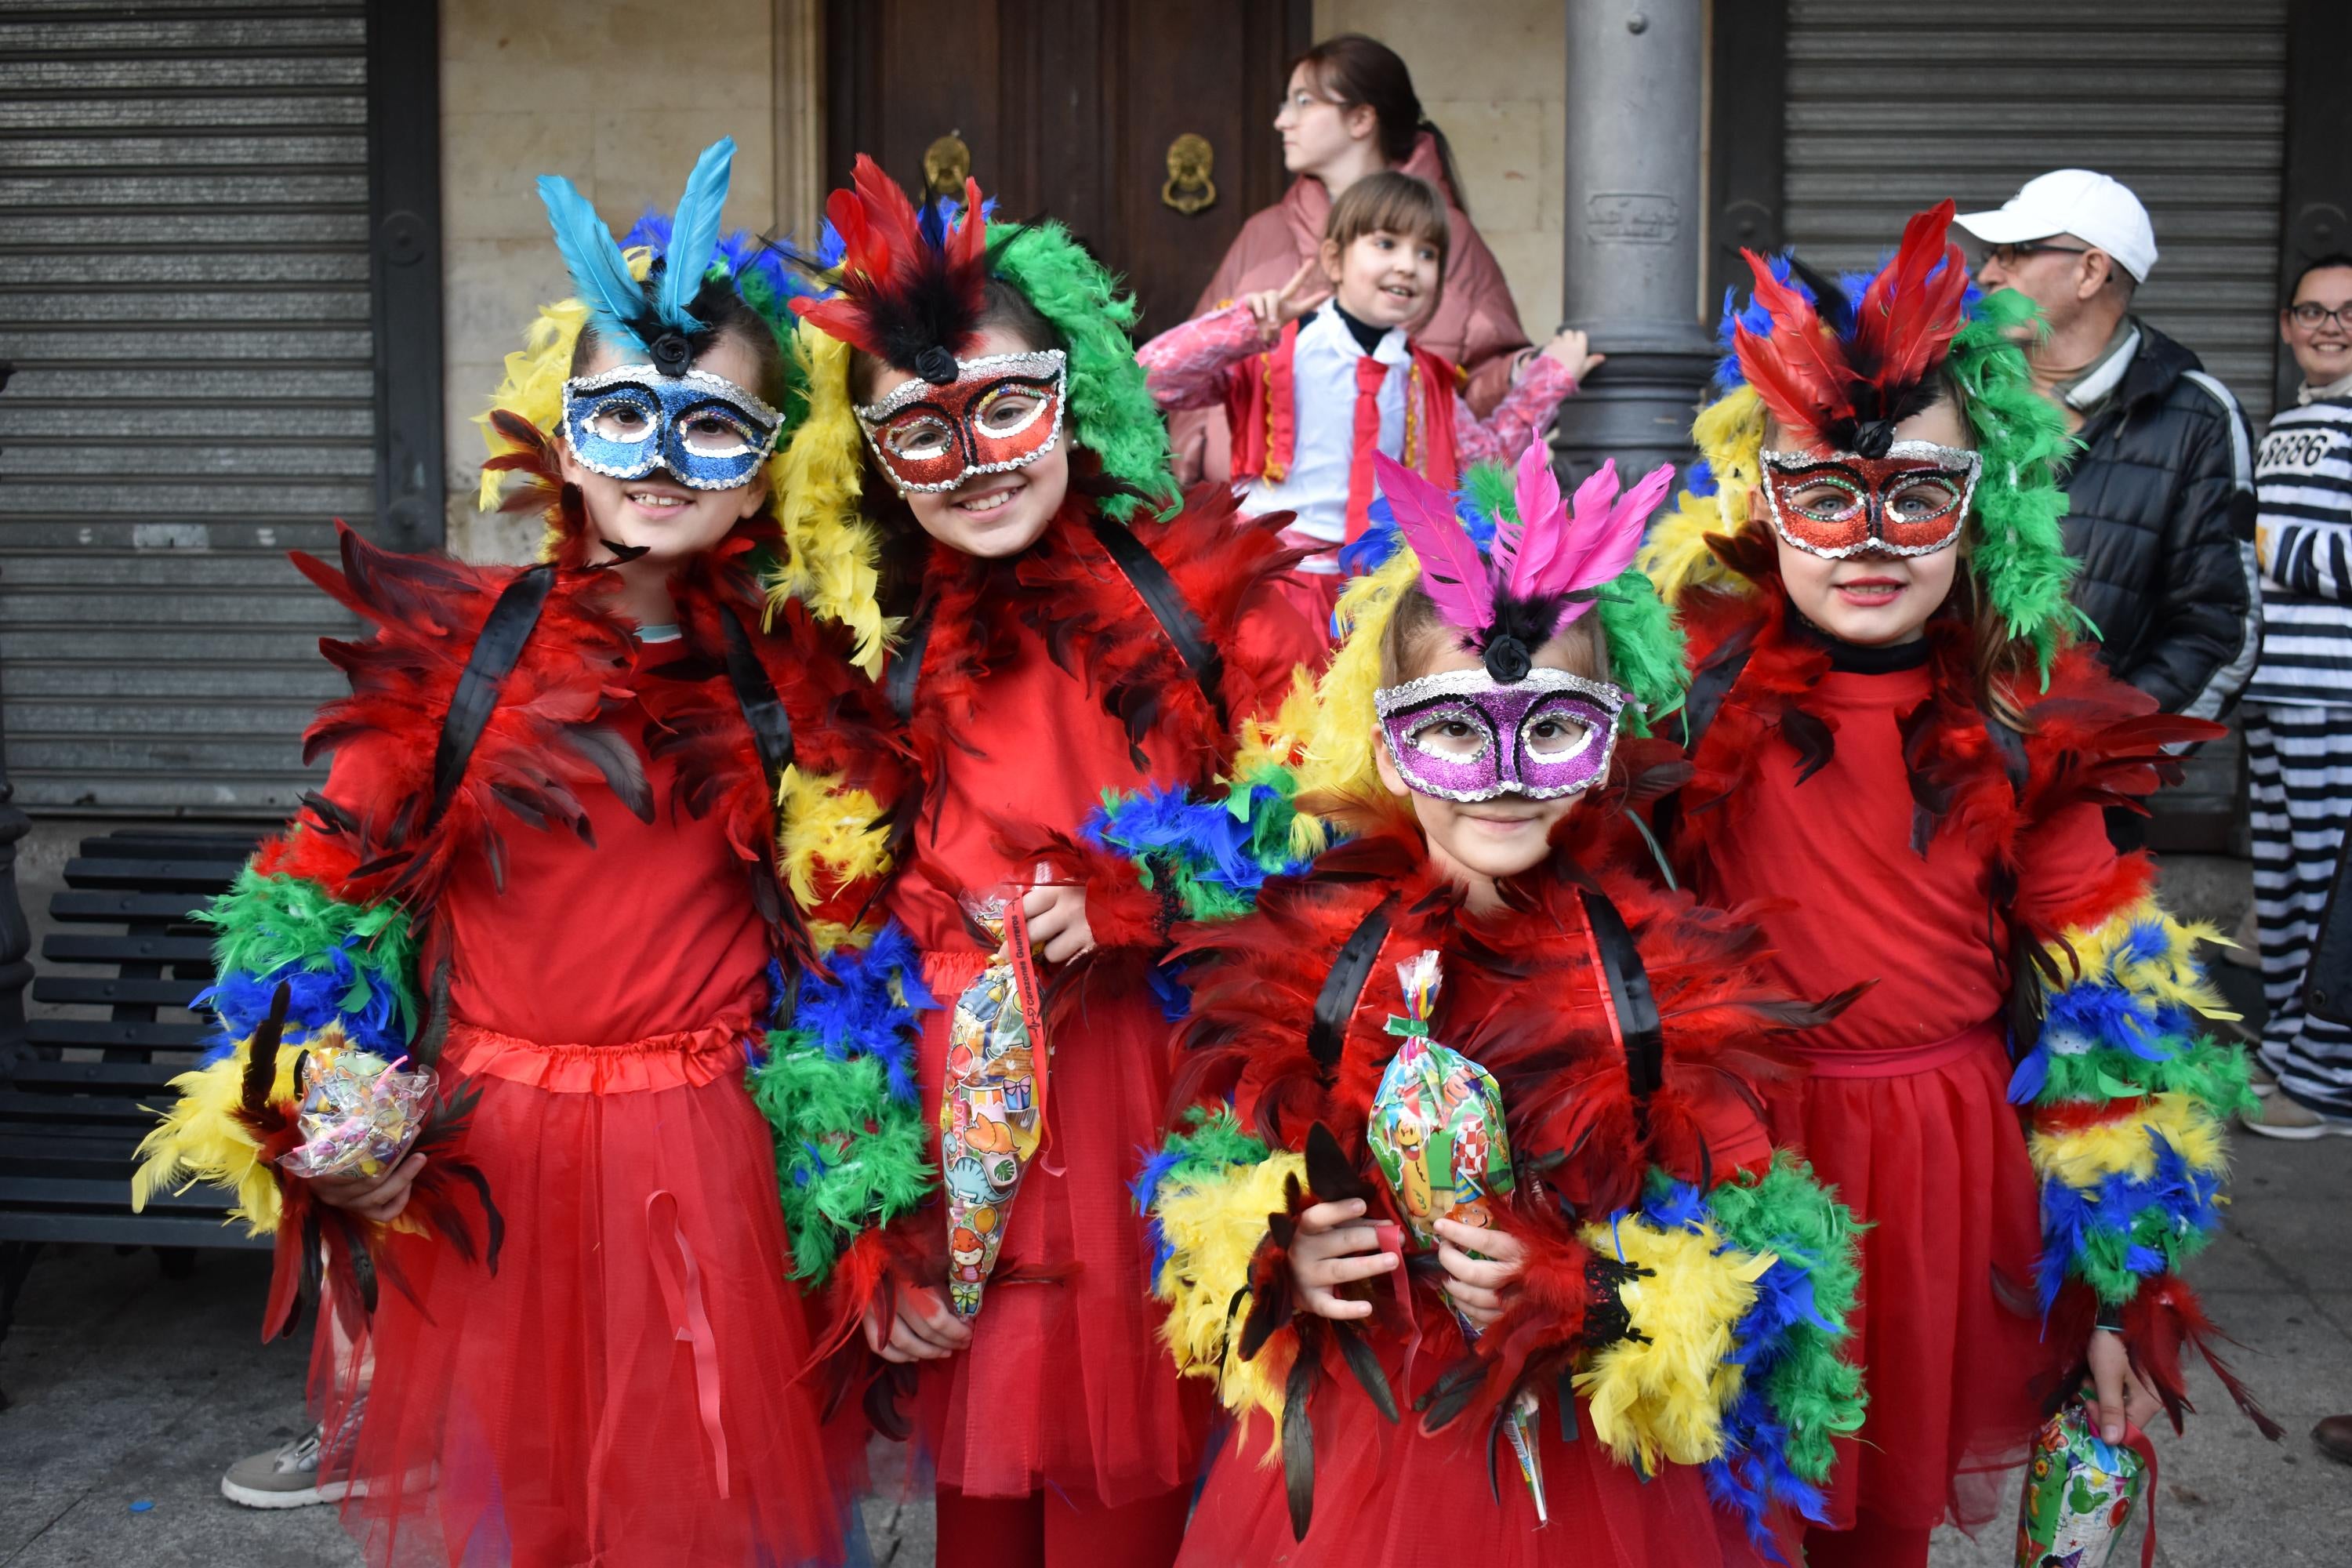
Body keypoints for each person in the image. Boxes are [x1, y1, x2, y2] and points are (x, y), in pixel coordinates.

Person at [130, 142, 875, 1565]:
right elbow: (310, 906)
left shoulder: (802, 688)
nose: (660, 464)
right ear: (566, 432)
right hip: (493, 1170)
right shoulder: (457, 663)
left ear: (771, 461)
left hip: (704, 1164)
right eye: (622, 417)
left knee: (692, 1510)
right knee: (521, 1515)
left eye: (709, 428)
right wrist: (317, 1112)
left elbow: (854, 943)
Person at [1639, 201, 2275, 1568]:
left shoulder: (2016, 719)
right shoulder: (1679, 707)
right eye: (1826, 493)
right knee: (1718, 1518)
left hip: (1938, 1162)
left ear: (1983, 509)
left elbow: (2114, 1013)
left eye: (1918, 494)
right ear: (1758, 504)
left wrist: (2119, 1298)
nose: (1872, 538)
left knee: (1883, 1519)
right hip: (1736, 1153)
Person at [1134, 447, 1865, 1566]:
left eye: (1552, 727)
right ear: (1387, 740)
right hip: (1368, 1447)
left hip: (1588, 1479)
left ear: (1609, 735)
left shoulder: (1651, 989)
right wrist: (1286, 1253)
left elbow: (1758, 1274)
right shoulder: (1322, 965)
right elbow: (1214, 1187)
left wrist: (1592, 1294)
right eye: (1456, 733)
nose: (1509, 778)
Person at [749, 157, 1321, 1568]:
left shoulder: (1192, 598)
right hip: (957, 1112)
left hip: (1146, 1101)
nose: (982, 462)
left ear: (1077, 401)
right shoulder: (867, 653)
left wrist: (1152, 890)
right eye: (924, 435)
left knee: (1129, 1495)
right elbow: (832, 955)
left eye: (1009, 409)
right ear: (874, 463)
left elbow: (1315, 830)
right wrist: (875, 1202)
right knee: (984, 1503)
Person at [1139, 172, 1597, 626]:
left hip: (1375, 595)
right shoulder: (1272, 349)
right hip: (1274, 585)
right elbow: (1152, 377)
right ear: (1334, 260)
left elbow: (1485, 456)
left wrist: (1550, 376)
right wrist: (1240, 329)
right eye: (1386, 244)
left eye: (1427, 253)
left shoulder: (1426, 377)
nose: (1407, 265)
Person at [1959, 169, 2260, 727]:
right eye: (1992, 254)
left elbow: (2217, 628)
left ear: (2091, 270)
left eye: (2014, 252)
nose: (1987, 273)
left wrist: (2102, 754)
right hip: (1943, 769)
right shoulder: (1956, 394)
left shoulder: (2198, 417)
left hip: (2084, 786)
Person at [1171, 33, 1534, 488]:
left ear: (1361, 119)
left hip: (1397, 539)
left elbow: (1480, 393)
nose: (1283, 121)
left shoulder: (1451, 237)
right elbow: (1191, 370)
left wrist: (1522, 372)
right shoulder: (1263, 232)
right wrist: (1189, 478)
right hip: (1255, 531)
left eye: (1303, 102)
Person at [2240, 253, 2352, 1139]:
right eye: (2313, 311)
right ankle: (2285, 1052)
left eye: (2348, 312)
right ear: (2287, 325)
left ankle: (2328, 1081)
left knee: (2325, 893)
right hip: (2273, 693)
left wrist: (2271, 543)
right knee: (2280, 889)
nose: (2329, 326)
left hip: (2336, 699)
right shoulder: (2286, 425)